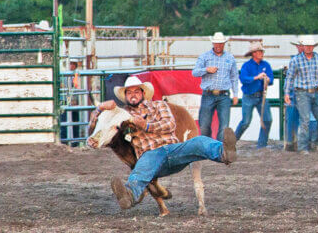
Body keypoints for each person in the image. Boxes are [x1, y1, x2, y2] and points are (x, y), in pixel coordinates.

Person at [100, 76, 237, 209]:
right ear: (125, 96)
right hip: (150, 155)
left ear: (143, 93)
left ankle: (224, 152)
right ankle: (128, 195)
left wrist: (146, 126)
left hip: (173, 149)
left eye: (136, 91)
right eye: (129, 93)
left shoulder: (159, 105)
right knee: (142, 169)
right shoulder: (122, 115)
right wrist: (99, 108)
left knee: (198, 141)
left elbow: (170, 125)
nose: (133, 95)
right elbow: (99, 132)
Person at [286, 35, 318, 154]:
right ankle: (303, 147)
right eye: (307, 46)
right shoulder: (296, 60)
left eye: (311, 46)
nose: (309, 48)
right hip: (302, 92)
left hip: (316, 92)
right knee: (305, 120)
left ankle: (317, 144)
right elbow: (289, 78)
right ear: (303, 47)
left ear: (313, 46)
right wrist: (286, 93)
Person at [191, 32, 239, 140]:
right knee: (204, 125)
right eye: (216, 43)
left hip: (224, 95)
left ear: (224, 44)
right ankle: (208, 146)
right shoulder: (204, 57)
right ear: (213, 43)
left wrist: (235, 94)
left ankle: (219, 148)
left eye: (220, 43)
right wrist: (206, 70)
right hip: (208, 94)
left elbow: (234, 77)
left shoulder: (230, 58)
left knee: (224, 126)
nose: (218, 45)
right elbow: (195, 72)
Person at [235, 41, 274, 149]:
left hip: (261, 96)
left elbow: (271, 80)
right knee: (245, 122)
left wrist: (267, 79)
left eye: (261, 51)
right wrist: (257, 77)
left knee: (267, 119)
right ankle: (232, 141)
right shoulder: (246, 66)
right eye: (259, 51)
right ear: (254, 53)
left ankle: (262, 144)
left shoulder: (266, 65)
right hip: (249, 96)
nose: (262, 53)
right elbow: (243, 79)